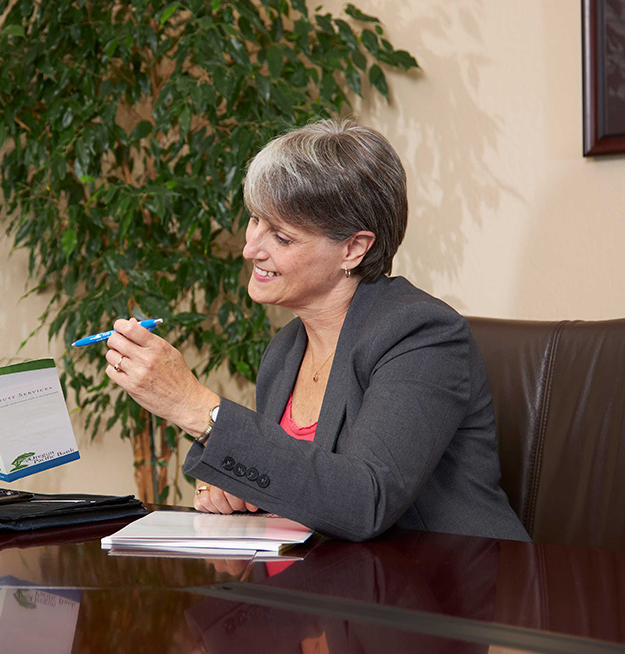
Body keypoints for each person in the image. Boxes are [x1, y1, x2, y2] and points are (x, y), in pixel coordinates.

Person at [101, 118, 528, 542]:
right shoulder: (286, 348)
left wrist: (196, 408)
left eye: (282, 237)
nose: (251, 248)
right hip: (335, 586)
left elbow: (364, 502)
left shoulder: (422, 335)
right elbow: (305, 487)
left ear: (353, 248)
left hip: (448, 590)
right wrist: (236, 484)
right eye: (255, 220)